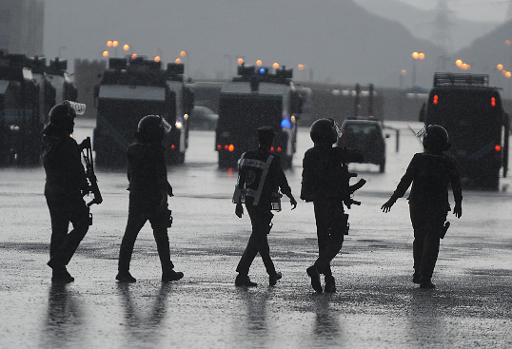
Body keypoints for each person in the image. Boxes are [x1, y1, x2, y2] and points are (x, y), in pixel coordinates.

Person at [381, 124, 462, 289]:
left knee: (419, 237)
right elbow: (456, 184)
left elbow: (405, 181)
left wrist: (393, 199)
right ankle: (426, 277)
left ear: (426, 141)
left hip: (417, 204)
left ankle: (417, 270)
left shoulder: (418, 159)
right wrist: (458, 203)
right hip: (438, 206)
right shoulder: (448, 162)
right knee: (432, 240)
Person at [116, 115, 183, 283]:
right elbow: (159, 174)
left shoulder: (133, 149)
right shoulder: (156, 150)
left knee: (130, 235)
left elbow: (131, 175)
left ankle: (123, 270)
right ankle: (167, 270)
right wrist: (163, 194)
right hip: (153, 198)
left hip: (137, 196)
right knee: (161, 235)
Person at [301, 118, 363, 293]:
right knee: (336, 242)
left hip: (319, 203)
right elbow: (359, 156)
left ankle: (328, 280)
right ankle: (318, 268)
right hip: (334, 202)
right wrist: (345, 148)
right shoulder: (336, 154)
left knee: (323, 242)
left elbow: (306, 178)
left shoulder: (310, 154)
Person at [234, 127, 297, 287]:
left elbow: (240, 181)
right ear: (270, 141)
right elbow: (281, 180)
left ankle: (271, 274)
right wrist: (290, 195)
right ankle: (242, 274)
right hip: (262, 203)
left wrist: (238, 204)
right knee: (257, 238)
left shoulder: (246, 156)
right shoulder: (272, 159)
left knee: (260, 238)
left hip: (249, 201)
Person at [43, 101, 90, 283]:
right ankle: (59, 261)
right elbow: (76, 171)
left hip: (52, 190)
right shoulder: (68, 144)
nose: (73, 124)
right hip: (67, 192)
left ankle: (59, 272)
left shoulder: (48, 140)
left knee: (59, 230)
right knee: (83, 223)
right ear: (65, 122)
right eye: (71, 120)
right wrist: (85, 185)